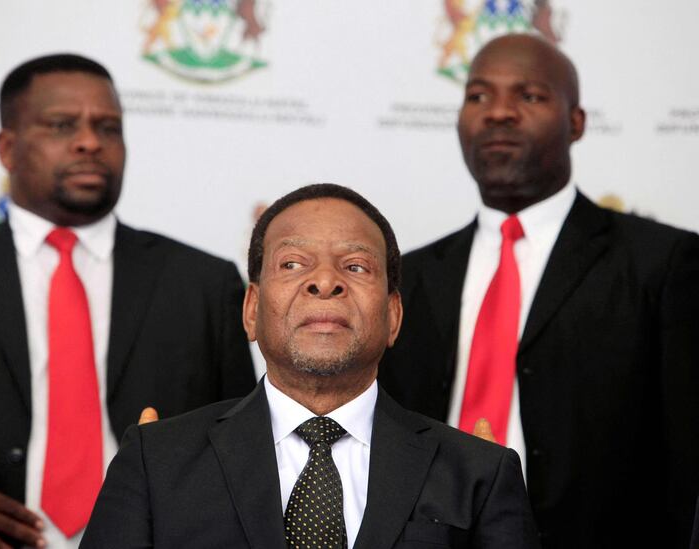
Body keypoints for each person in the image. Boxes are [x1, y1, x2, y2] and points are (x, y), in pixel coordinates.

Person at [0, 53, 255, 548]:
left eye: (108, 127)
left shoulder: (202, 283)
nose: (90, 142)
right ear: (7, 148)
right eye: (62, 125)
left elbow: (245, 443)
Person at [79, 183, 540, 548]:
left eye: (356, 267)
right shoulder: (156, 461)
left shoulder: (478, 472)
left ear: (394, 316)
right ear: (251, 310)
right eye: (294, 264)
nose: (324, 281)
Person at [379, 33, 699, 547]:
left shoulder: (660, 263)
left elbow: (687, 459)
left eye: (529, 96)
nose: (498, 113)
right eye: (478, 96)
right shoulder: (410, 276)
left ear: (577, 122)